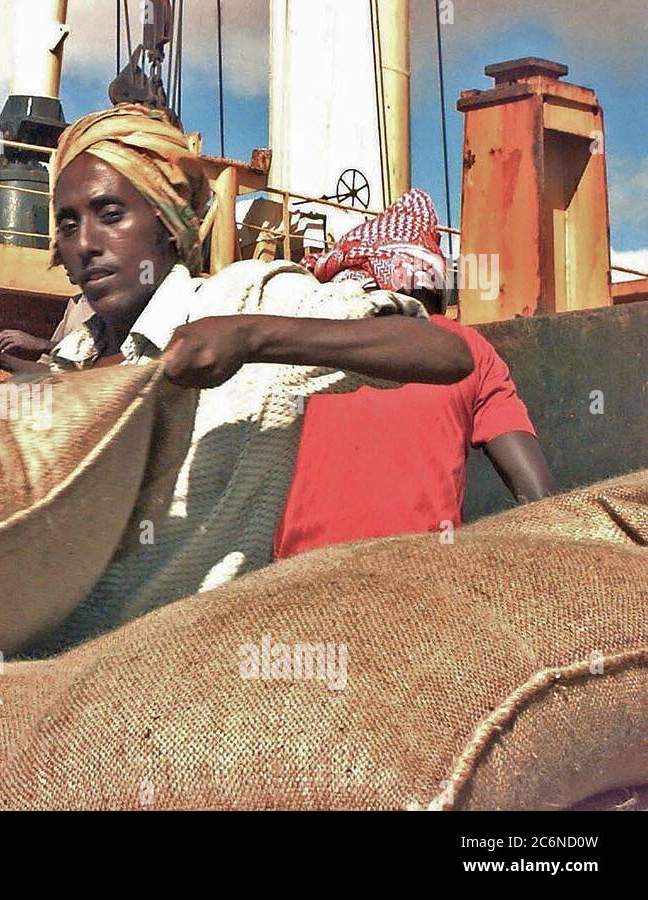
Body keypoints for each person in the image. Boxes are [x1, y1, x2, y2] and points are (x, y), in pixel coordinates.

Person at [29, 104, 476, 651]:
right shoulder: (69, 359)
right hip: (53, 671)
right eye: (68, 224)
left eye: (110, 213)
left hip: (187, 669)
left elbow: (441, 351)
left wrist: (253, 338)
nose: (85, 244)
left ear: (169, 224)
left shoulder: (239, 299)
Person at [272, 189, 555, 559]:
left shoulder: (301, 337)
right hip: (422, 583)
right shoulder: (468, 348)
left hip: (291, 585)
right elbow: (537, 494)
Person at [0, 294, 96, 373]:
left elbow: (97, 359)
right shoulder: (76, 303)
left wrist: (42, 344)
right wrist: (1, 359)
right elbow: (49, 371)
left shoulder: (110, 305)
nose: (64, 265)